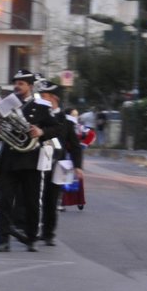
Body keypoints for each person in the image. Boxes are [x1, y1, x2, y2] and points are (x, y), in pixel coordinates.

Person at [0, 69, 54, 252]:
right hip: (9, 160)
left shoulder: (41, 106)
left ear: (30, 86)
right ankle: (3, 240)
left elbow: (55, 127)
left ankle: (32, 238)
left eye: (21, 83)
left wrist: (41, 132)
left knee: (32, 201)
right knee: (5, 201)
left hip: (30, 160)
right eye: (16, 83)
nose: (17, 86)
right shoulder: (6, 104)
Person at [34, 80, 82, 246]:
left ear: (54, 98)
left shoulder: (66, 120)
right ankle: (33, 230)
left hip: (59, 164)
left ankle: (49, 233)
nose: (41, 98)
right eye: (40, 95)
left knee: (52, 200)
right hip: (39, 160)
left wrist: (78, 166)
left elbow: (75, 146)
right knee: (35, 197)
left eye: (44, 96)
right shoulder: (37, 116)